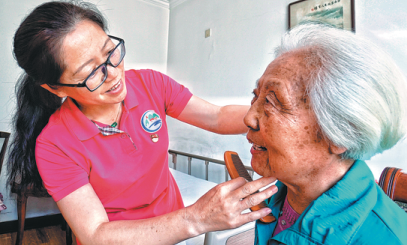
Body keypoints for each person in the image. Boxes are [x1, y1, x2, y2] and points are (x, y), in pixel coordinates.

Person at [7, 1, 278, 244]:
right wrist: (196, 218)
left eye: (110, 52)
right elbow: (95, 233)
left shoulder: (149, 84)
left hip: (177, 227)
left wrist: (272, 118)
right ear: (56, 88)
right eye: (91, 72)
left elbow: (216, 117)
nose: (113, 74)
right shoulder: (55, 145)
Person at [245, 22, 407, 245]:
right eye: (255, 96)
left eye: (270, 101)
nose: (248, 117)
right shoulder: (278, 196)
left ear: (341, 133)